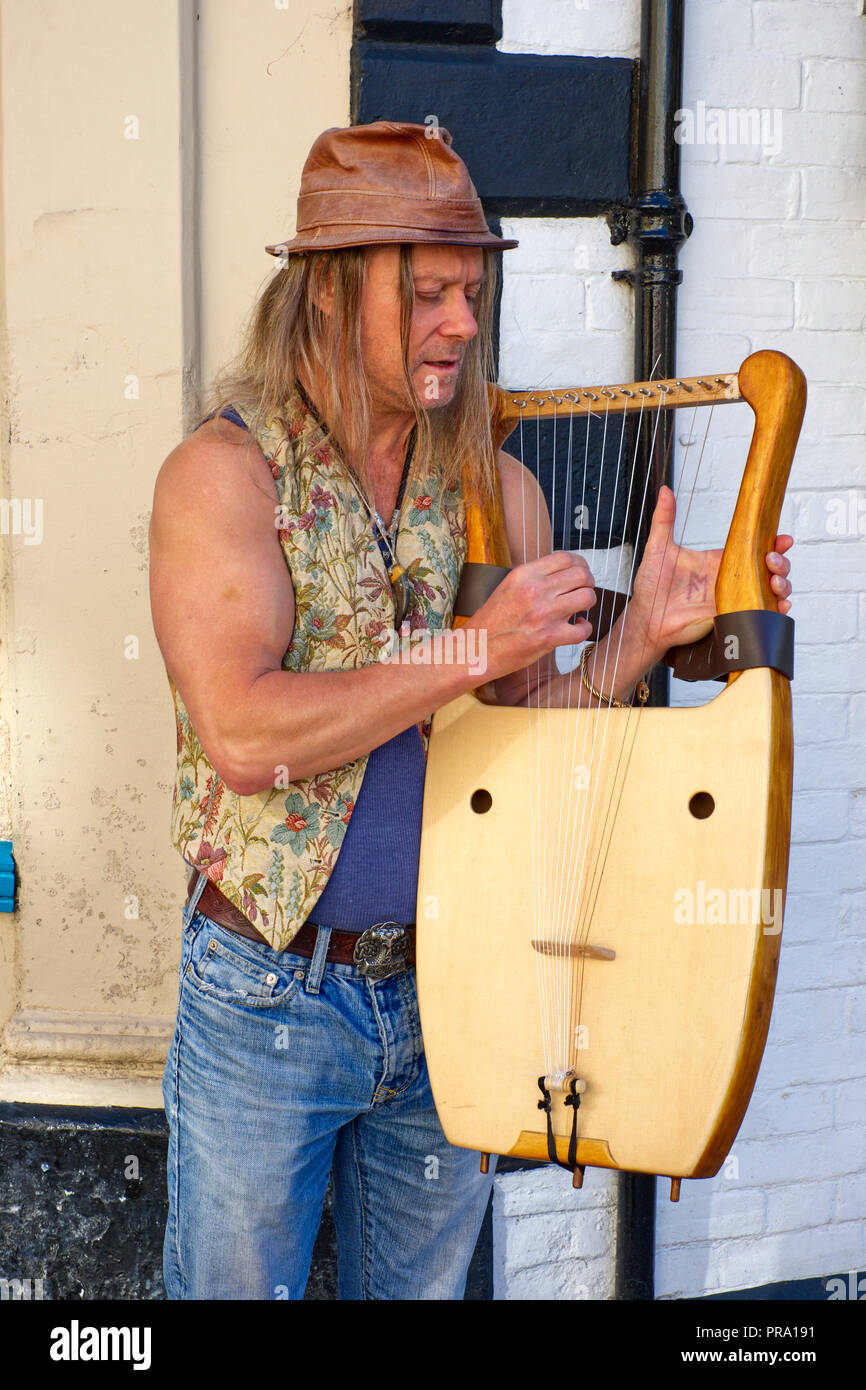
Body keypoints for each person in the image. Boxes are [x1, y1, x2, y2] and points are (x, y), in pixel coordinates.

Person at [148, 121, 793, 1301]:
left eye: (472, 293)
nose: (462, 324)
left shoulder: (496, 488)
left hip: (461, 982)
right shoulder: (224, 476)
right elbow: (244, 736)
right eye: (431, 292)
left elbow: (522, 725)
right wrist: (465, 647)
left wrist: (642, 634)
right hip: (270, 991)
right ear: (335, 291)